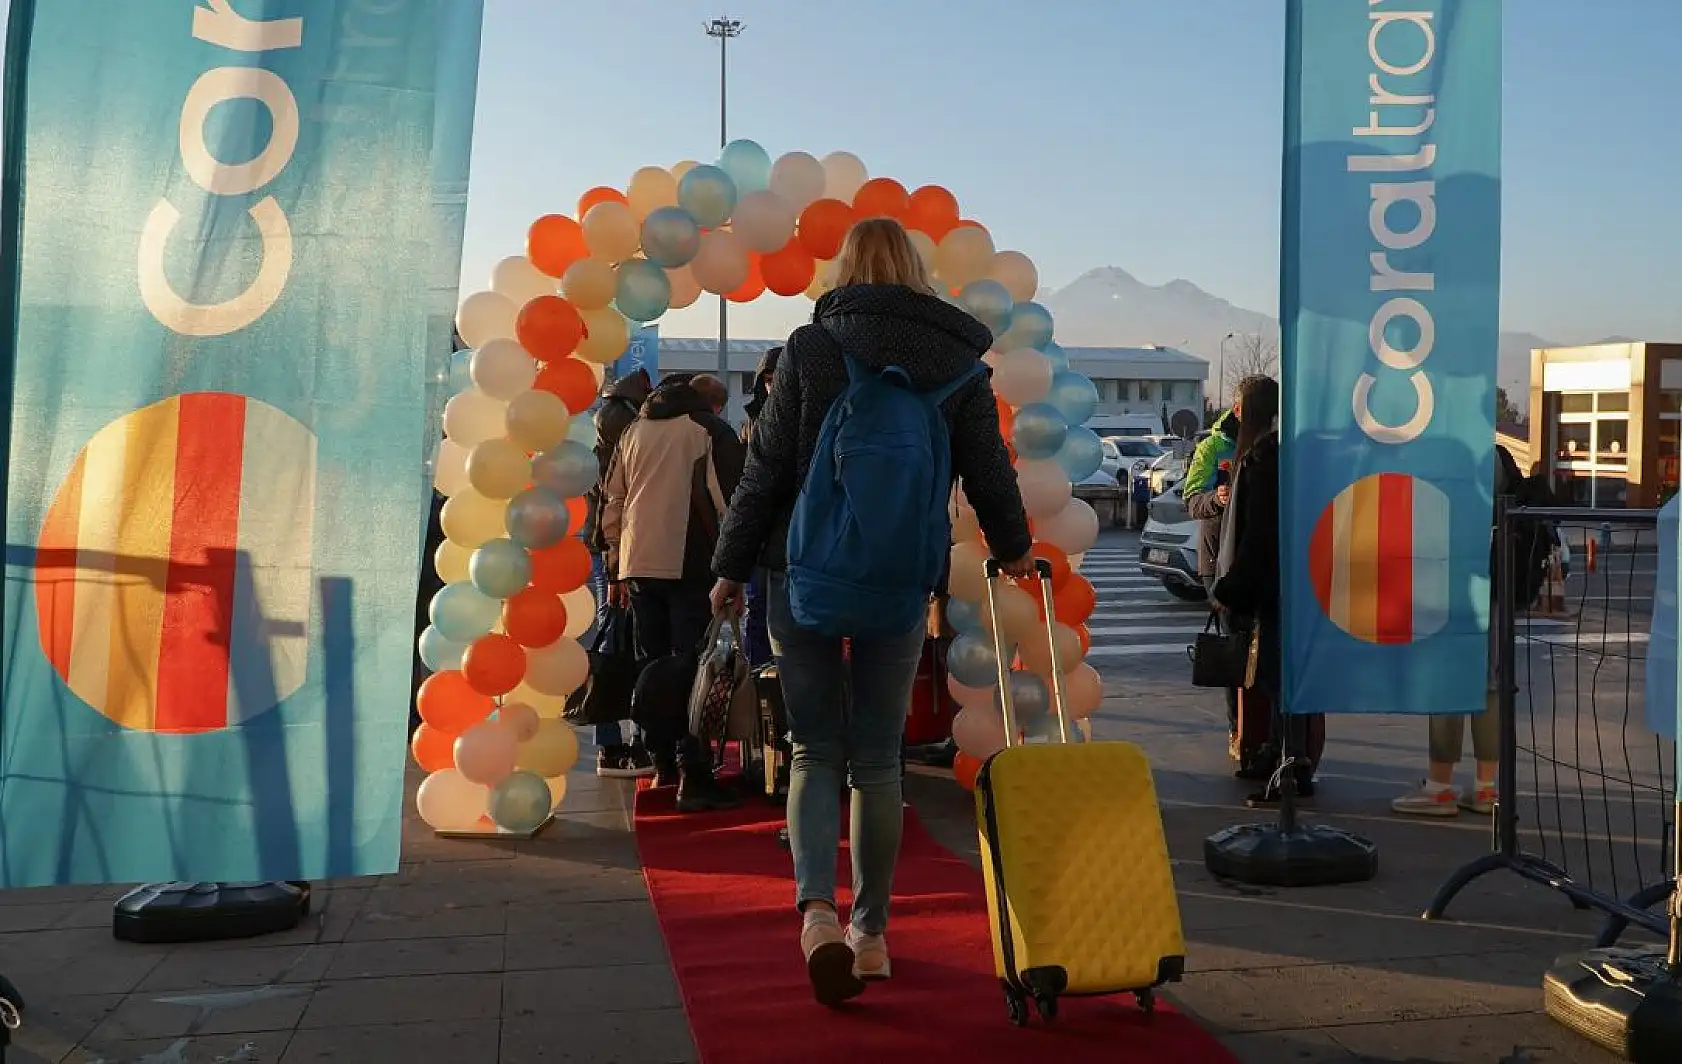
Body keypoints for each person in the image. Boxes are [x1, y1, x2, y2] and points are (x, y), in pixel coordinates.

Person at [709, 218, 1034, 1006]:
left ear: (850, 268)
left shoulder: (812, 348)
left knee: (814, 748)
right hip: (898, 578)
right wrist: (1015, 547)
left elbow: (766, 471)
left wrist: (729, 567)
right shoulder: (959, 362)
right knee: (879, 758)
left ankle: (817, 912)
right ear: (918, 272)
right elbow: (988, 470)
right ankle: (872, 934)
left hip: (804, 573)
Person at [601, 375, 746, 811]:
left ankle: (662, 763)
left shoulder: (633, 429)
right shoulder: (706, 431)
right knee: (692, 670)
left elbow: (613, 499)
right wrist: (734, 569)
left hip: (637, 563)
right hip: (690, 561)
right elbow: (732, 501)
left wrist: (615, 564)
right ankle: (694, 775)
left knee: (654, 664)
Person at [1391, 444, 1552, 817]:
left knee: (1447, 683)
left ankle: (1440, 787)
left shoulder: (1458, 449)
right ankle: (1485, 788)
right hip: (1495, 587)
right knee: (1490, 686)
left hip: (1454, 583)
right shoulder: (1496, 455)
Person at [1209, 375, 1324, 805]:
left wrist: (1231, 587)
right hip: (1289, 583)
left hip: (1278, 587)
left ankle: (1291, 769)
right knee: (1277, 679)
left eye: (1239, 405)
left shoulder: (1266, 458)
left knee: (1281, 678)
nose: (1234, 413)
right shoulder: (1275, 453)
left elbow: (1260, 534)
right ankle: (1279, 757)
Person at [584, 369, 655, 778]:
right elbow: (614, 520)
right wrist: (616, 575)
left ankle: (610, 745)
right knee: (632, 649)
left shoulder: (596, 454)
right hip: (623, 560)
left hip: (606, 559)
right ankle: (635, 743)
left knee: (611, 646)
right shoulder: (628, 453)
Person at [1182, 388, 1245, 768]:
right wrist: (1216, 499)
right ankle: (1238, 729)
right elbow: (1192, 499)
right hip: (1218, 561)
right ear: (1237, 408)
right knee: (1233, 648)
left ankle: (1262, 730)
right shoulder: (1213, 447)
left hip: (1259, 557)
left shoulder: (1275, 441)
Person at [739, 347, 782, 670]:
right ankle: (759, 681)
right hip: (759, 531)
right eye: (767, 379)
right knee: (758, 610)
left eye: (777, 378)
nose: (772, 385)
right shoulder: (751, 423)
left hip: (787, 531)